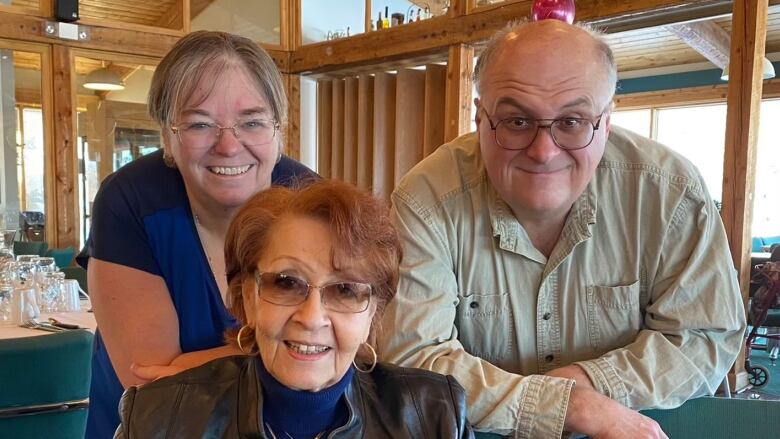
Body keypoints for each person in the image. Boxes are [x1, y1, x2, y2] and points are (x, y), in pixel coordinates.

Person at [378, 19, 746, 439]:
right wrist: (569, 406)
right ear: (481, 118)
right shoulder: (427, 198)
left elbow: (704, 337)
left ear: (606, 121)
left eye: (572, 121)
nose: (543, 151)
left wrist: (580, 390)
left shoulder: (671, 193)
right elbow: (413, 356)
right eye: (517, 121)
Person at [77, 31, 316, 438]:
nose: (228, 145)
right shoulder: (130, 200)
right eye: (200, 124)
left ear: (279, 133)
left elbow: (347, 350)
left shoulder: (309, 202)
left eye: (252, 122)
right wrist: (277, 347)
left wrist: (191, 364)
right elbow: (153, 387)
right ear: (168, 138)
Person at [113, 180, 474, 439]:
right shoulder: (157, 419)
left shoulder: (435, 415)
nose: (312, 317)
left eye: (345, 290)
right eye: (286, 283)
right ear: (248, 298)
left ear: (373, 313)